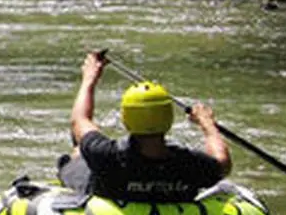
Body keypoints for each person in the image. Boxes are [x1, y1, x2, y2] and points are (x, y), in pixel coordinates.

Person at [56, 51, 231, 202]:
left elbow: (80, 120)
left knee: (79, 152)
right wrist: (207, 125)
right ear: (168, 120)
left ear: (126, 120)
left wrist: (89, 79)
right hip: (172, 197)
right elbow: (223, 163)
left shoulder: (106, 156)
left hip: (106, 193)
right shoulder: (190, 164)